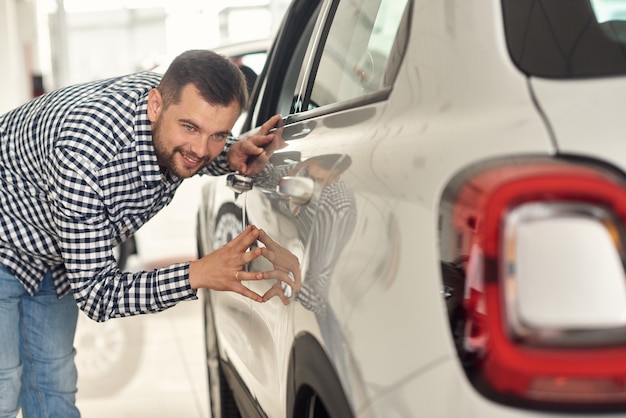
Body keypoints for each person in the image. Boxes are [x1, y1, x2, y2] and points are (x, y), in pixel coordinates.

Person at [0, 49, 290, 417]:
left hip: (52, 244)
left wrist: (228, 153)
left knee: (53, 383)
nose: (202, 148)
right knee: (4, 385)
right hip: (5, 231)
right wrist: (197, 273)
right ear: (155, 105)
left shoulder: (172, 111)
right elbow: (98, 295)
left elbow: (193, 148)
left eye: (219, 134)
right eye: (190, 128)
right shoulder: (87, 157)